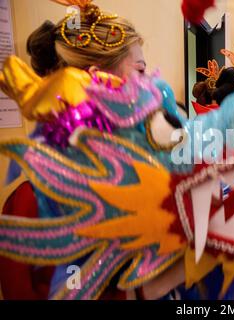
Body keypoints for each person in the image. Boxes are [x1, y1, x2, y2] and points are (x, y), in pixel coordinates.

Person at [0, 0, 146, 300]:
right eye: (141, 70)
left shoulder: (124, 182)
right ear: (99, 82)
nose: (150, 85)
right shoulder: (30, 202)